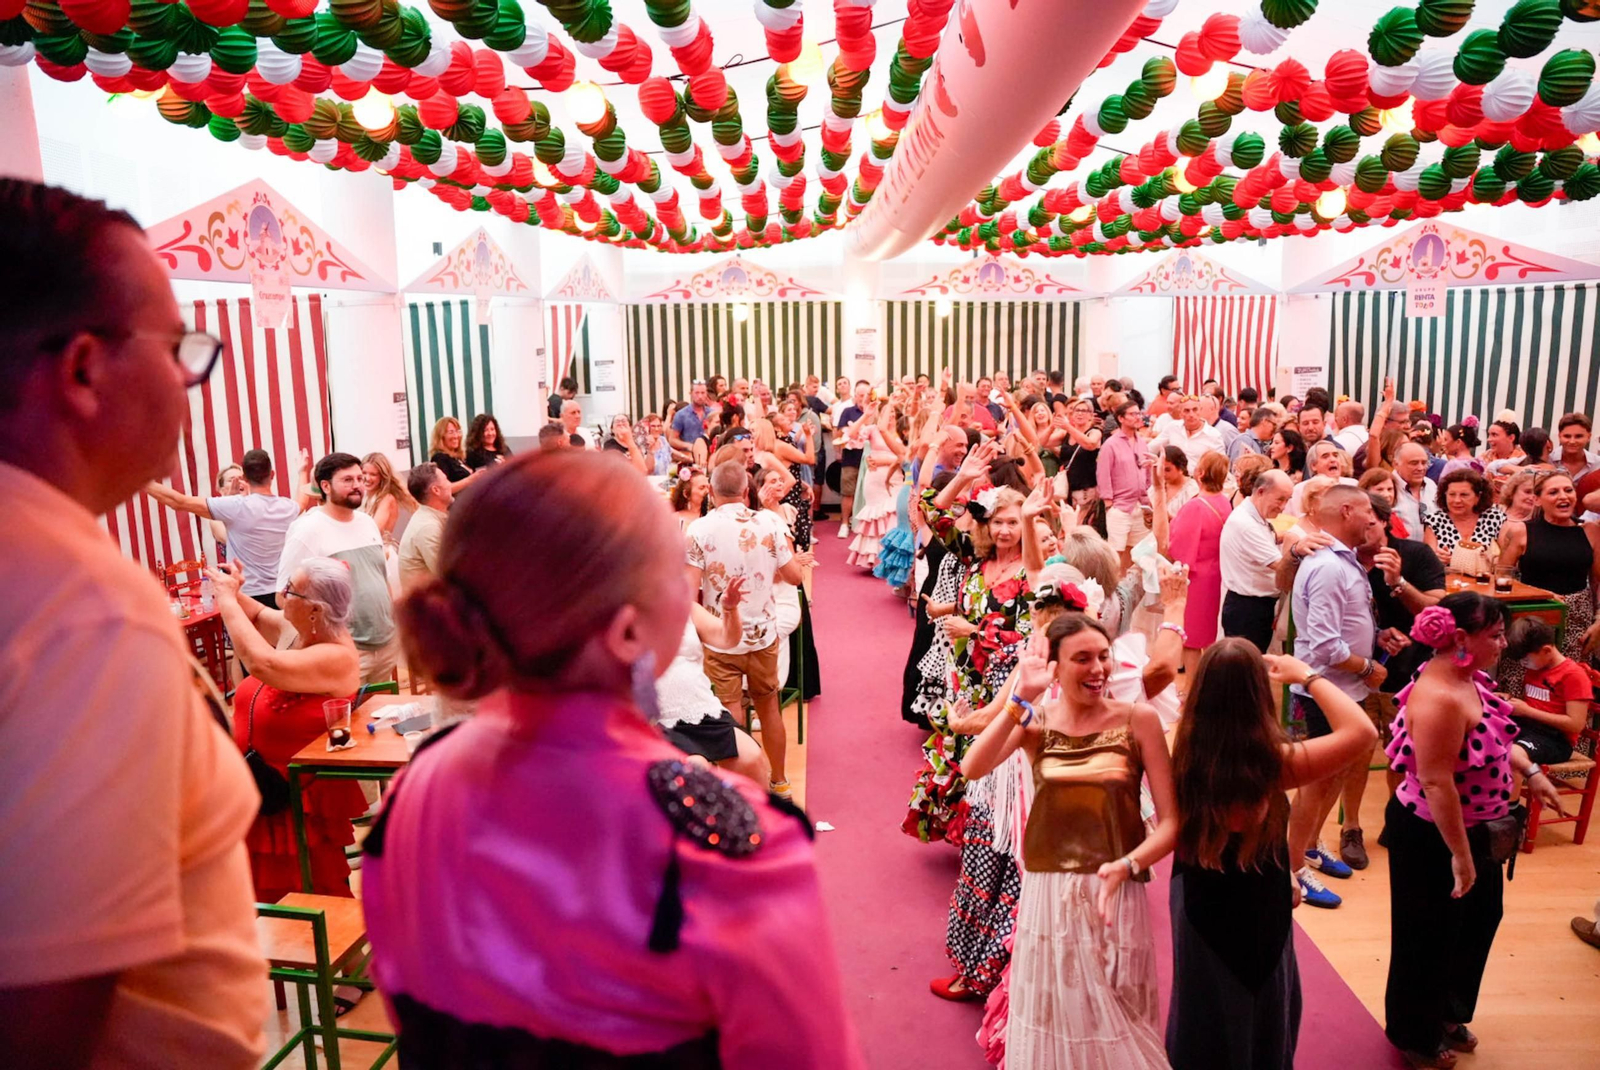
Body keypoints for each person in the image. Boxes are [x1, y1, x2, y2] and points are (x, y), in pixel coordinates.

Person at [364, 450, 863, 1066]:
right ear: (630, 633)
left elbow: (410, 1001)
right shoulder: (723, 845)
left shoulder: (414, 790)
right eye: (674, 576)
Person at [0, 178, 262, 1067]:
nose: (191, 377)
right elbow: (46, 1026)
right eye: (181, 347)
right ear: (82, 369)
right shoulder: (83, 613)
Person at [960, 615, 1178, 1069]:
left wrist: (1126, 865)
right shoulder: (1035, 723)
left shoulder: (1139, 721)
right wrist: (1021, 698)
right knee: (1056, 1013)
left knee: (1120, 1018)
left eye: (1103, 656)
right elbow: (973, 767)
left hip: (1115, 893)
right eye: (1082, 658)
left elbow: (1173, 822)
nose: (1098, 668)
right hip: (1048, 893)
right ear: (1055, 667)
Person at [1166, 640, 1378, 1070]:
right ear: (1259, 695)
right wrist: (1308, 677)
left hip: (1197, 900)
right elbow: (1363, 732)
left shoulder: (1183, 758)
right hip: (1255, 904)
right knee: (1256, 1004)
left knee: (1204, 1006)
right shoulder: (1275, 764)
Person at [1382, 595, 1565, 1068]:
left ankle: (1447, 1011)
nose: (1505, 644)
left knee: (1478, 922)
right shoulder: (1439, 696)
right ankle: (1415, 1033)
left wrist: (1533, 773)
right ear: (1460, 639)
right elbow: (1436, 781)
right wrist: (1460, 856)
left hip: (1475, 830)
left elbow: (1498, 741)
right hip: (1433, 835)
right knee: (1426, 936)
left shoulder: (1471, 679)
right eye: (1496, 635)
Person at [211, 557, 364, 902]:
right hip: (264, 789)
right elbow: (256, 616)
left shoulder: (336, 655)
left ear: (314, 610)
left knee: (308, 893)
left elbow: (261, 663)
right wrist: (233, 590)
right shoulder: (298, 630)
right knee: (266, 895)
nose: (280, 594)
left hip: (295, 800)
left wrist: (224, 600)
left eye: (290, 590)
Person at [686, 460, 812, 801]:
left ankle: (742, 786)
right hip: (762, 634)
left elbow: (688, 592)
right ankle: (781, 782)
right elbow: (795, 578)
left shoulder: (698, 529)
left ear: (711, 492)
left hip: (720, 634)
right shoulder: (769, 524)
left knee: (731, 708)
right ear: (747, 491)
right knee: (769, 707)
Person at [1287, 485, 1383, 909]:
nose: (1373, 520)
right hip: (1324, 690)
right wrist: (1367, 667)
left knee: (1336, 775)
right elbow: (1325, 645)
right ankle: (1292, 869)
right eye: (1367, 511)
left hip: (1344, 689)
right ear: (1346, 510)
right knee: (1314, 783)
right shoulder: (1327, 566)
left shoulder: (1343, 560)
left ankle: (1310, 845)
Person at [1344, 493, 1446, 870]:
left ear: (1385, 521)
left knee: (1401, 751)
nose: (1364, 529)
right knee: (1355, 750)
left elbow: (1436, 609)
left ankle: (1394, 816)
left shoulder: (1415, 555)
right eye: (1358, 522)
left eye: (1371, 522)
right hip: (1356, 669)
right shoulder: (1343, 560)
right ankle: (1351, 828)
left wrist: (1399, 582)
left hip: (1411, 671)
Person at [279, 452, 399, 684]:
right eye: (347, 480)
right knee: (348, 718)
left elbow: (381, 578)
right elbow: (283, 597)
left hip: (385, 644)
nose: (357, 486)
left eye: (359, 479)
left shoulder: (367, 523)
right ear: (325, 486)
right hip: (345, 649)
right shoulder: (307, 530)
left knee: (379, 716)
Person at [145, 446, 300, 607]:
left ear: (245, 479)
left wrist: (140, 482)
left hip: (251, 594)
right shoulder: (283, 506)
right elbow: (300, 503)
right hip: (270, 592)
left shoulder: (235, 507)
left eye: (238, 478)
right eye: (231, 480)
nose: (236, 483)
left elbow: (179, 502)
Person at [1498, 471, 1600, 666]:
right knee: (1522, 682)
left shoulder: (1590, 531)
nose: (1563, 496)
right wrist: (1539, 594)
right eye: (1553, 492)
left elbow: (1598, 582)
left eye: (1568, 490)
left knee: (1569, 682)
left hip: (1577, 621)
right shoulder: (1521, 531)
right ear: (1537, 500)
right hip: (1530, 619)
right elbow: (1502, 577)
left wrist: (1599, 622)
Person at [1169, 450, 1232, 681]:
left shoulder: (1196, 506)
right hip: (1218, 574)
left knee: (1193, 640)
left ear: (1201, 473)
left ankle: (1192, 688)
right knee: (1211, 635)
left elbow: (1179, 547)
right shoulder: (1225, 502)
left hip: (1197, 578)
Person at [1220, 469, 1297, 653]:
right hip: (1247, 610)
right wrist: (1298, 547)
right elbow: (1281, 566)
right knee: (1244, 672)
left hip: (1255, 607)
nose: (1283, 506)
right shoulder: (1245, 524)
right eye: (1280, 499)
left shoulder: (1255, 517)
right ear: (1261, 492)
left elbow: (1268, 540)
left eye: (1288, 500)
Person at [1503, 617, 1591, 766]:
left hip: (1555, 740)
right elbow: (1539, 703)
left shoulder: (1573, 675)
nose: (1522, 664)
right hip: (1529, 727)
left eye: (1525, 659)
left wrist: (1527, 711)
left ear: (1546, 650)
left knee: (1515, 757)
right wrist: (1509, 700)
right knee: (1485, 733)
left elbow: (1576, 724)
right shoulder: (1536, 666)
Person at [1098, 400, 1153, 571]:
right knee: (1116, 552)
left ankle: (1130, 590)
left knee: (1139, 553)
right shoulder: (1111, 444)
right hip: (1120, 506)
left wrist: (1148, 495)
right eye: (1133, 414)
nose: (1138, 417)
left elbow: (1147, 468)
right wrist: (1109, 504)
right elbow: (1103, 474)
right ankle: (1113, 589)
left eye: (1139, 413)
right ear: (1121, 418)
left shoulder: (1142, 442)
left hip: (1141, 506)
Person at [847, 402, 902, 569]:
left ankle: (893, 559)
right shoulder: (872, 429)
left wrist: (888, 460)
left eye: (892, 411)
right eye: (886, 411)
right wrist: (866, 414)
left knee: (893, 516)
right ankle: (876, 560)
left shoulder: (902, 431)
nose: (890, 415)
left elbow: (908, 455)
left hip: (896, 479)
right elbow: (852, 434)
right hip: (875, 480)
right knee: (876, 517)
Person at [1423, 469, 1504, 564]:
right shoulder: (1434, 520)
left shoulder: (1496, 518)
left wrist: (1455, 561)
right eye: (1452, 494)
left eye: (1464, 495)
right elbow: (1429, 560)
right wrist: (1436, 557)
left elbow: (1505, 560)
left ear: (1478, 497)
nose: (1457, 500)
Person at [398, 461, 452, 591]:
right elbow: (449, 575)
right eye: (446, 480)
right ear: (436, 490)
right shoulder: (428, 527)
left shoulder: (430, 518)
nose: (450, 484)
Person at [1151, 395, 1225, 472]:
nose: (1191, 414)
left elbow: (1221, 465)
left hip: (1200, 481)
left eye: (1195, 410)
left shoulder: (1213, 435)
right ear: (1180, 413)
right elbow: (1151, 448)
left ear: (1200, 410)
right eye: (1186, 411)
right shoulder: (1172, 428)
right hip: (1175, 480)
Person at [835, 380, 870, 537]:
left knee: (868, 492)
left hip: (871, 457)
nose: (863, 398)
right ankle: (844, 523)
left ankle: (865, 524)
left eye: (866, 395)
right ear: (855, 396)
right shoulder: (847, 411)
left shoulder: (876, 411)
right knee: (848, 491)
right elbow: (846, 434)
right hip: (851, 457)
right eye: (860, 395)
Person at [362, 450, 414, 546]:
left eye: (373, 474)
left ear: (382, 476)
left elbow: (374, 531)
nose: (367, 478)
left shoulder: (387, 499)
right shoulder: (365, 497)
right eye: (364, 473)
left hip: (382, 552)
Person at [1393, 441, 1439, 542]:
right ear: (1396, 464)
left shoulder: (1431, 486)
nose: (1420, 468)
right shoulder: (1387, 487)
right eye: (1414, 463)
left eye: (1424, 463)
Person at [429, 416, 479, 491]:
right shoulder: (439, 458)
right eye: (451, 432)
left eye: (458, 431)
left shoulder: (458, 458)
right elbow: (444, 489)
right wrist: (470, 479)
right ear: (441, 436)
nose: (456, 436)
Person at [669, 379, 713, 458]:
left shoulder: (712, 413)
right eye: (697, 393)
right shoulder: (681, 415)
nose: (700, 396)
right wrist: (689, 446)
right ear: (691, 394)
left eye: (703, 393)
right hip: (690, 456)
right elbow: (672, 439)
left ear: (706, 394)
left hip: (709, 456)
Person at [671, 465, 709, 532]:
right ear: (686, 494)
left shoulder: (713, 515)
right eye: (702, 488)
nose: (707, 491)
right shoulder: (675, 519)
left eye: (708, 487)